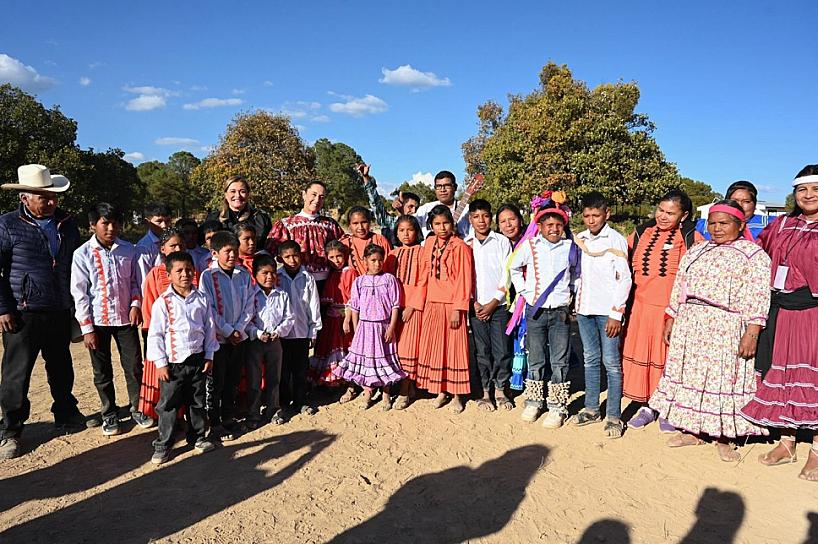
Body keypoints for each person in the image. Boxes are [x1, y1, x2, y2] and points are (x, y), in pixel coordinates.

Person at [647, 200, 770, 461]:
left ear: (740, 224)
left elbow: (759, 296)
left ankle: (723, 437)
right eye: (712, 223)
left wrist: (752, 331)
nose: (717, 228)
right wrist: (672, 317)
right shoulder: (697, 251)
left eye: (724, 223)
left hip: (726, 327)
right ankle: (693, 430)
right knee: (692, 376)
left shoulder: (753, 255)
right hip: (691, 324)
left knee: (723, 380)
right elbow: (680, 285)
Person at [0, 165, 87, 459]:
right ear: (25, 197)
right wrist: (3, 308)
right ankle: (11, 429)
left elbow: (79, 264)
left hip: (59, 307)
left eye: (52, 197)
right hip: (23, 312)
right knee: (17, 373)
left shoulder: (67, 223)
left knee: (61, 366)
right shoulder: (7, 225)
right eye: (43, 197)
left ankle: (65, 412)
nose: (50, 202)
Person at [741, 165, 818, 480]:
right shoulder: (782, 224)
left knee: (813, 378)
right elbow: (757, 255)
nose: (808, 196)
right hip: (782, 312)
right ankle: (787, 443)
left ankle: (816, 449)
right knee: (783, 374)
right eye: (803, 190)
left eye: (815, 189)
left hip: (814, 312)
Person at [71, 202, 153, 436]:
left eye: (115, 223)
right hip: (97, 321)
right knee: (102, 370)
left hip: (125, 320)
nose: (111, 228)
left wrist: (136, 304)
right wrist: (86, 328)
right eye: (105, 223)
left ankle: (138, 407)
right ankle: (109, 413)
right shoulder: (82, 254)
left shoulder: (129, 250)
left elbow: (137, 282)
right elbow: (80, 292)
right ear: (92, 226)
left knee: (134, 365)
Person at [623, 189, 703, 430]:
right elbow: (617, 258)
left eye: (671, 212)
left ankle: (668, 407)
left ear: (684, 215)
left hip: (671, 312)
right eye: (660, 210)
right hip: (639, 309)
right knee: (644, 358)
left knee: (669, 359)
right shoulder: (640, 233)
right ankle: (648, 405)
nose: (663, 216)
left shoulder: (692, 238)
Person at [509, 203, 579, 428]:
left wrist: (571, 296)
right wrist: (525, 292)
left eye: (559, 225)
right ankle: (534, 401)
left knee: (559, 360)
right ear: (539, 226)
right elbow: (514, 268)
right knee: (536, 357)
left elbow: (577, 274)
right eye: (549, 225)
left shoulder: (570, 247)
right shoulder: (530, 246)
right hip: (535, 310)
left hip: (560, 312)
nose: (554, 229)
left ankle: (557, 406)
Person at [148, 252, 218, 465]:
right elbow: (156, 334)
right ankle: (164, 444)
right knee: (168, 405)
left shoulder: (202, 299)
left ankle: (197, 437)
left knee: (197, 402)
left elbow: (209, 328)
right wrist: (161, 364)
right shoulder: (163, 303)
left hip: (197, 361)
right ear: (168, 275)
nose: (185, 274)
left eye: (188, 269)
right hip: (173, 364)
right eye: (178, 271)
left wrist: (209, 355)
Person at [571, 192, 631, 439]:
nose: (591, 220)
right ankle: (592, 408)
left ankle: (614, 415)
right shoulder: (580, 239)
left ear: (607, 214)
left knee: (611, 363)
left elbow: (625, 278)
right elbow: (577, 274)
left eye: (596, 215)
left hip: (607, 313)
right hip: (584, 310)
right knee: (590, 359)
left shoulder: (615, 240)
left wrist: (616, 313)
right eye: (586, 216)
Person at [415, 205, 474, 414]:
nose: (442, 228)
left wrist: (459, 308)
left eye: (445, 223)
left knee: (455, 350)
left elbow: (464, 280)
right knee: (436, 348)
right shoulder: (429, 243)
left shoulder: (460, 247)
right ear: (431, 225)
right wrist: (418, 303)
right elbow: (424, 274)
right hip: (432, 302)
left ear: (452, 223)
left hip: (452, 305)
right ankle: (441, 390)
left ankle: (458, 394)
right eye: (437, 224)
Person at [334, 244, 406, 410]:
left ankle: (386, 394)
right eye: (373, 260)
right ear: (365, 261)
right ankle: (367, 393)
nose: (377, 264)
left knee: (385, 359)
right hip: (365, 328)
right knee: (367, 361)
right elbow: (355, 307)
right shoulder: (359, 282)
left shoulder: (389, 279)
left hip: (383, 326)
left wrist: (391, 327)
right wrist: (357, 328)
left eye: (380, 260)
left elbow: (395, 305)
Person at [199, 231, 254, 441]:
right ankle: (214, 423)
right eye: (227, 252)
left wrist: (239, 328)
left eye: (234, 251)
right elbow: (209, 308)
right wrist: (228, 331)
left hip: (239, 338)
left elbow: (250, 304)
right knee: (216, 383)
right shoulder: (208, 277)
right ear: (214, 253)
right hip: (219, 340)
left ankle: (229, 418)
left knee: (232, 381)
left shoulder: (243, 274)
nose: (232, 255)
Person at [138, 227, 197, 420]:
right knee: (167, 383)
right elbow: (148, 309)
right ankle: (167, 420)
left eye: (181, 245)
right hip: (164, 340)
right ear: (162, 249)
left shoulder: (192, 272)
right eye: (172, 245)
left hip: (189, 341)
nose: (177, 248)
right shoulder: (155, 274)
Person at [464, 199, 514, 412]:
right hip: (475, 308)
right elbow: (465, 277)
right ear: (470, 219)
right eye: (476, 217)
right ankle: (485, 392)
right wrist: (474, 302)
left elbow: (507, 273)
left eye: (485, 216)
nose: (481, 221)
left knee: (502, 349)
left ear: (491, 217)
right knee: (482, 351)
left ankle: (501, 389)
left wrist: (493, 302)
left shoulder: (502, 242)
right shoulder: (466, 244)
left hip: (499, 306)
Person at [245, 254, 294, 429]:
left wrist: (278, 332)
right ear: (255, 274)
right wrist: (257, 333)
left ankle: (273, 409)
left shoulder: (281, 294)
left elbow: (289, 318)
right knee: (254, 379)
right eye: (264, 273)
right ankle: (253, 413)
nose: (269, 277)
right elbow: (246, 320)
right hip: (255, 342)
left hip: (275, 341)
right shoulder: (250, 295)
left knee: (275, 377)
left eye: (273, 273)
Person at [267, 180, 344, 290]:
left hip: (328, 283)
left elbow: (343, 249)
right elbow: (268, 253)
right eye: (314, 194)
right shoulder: (286, 224)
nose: (317, 200)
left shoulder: (330, 225)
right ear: (304, 195)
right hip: (297, 283)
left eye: (321, 197)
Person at [384, 215, 425, 410]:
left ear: (416, 231)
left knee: (409, 349)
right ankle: (401, 386)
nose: (405, 234)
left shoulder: (422, 252)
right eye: (401, 230)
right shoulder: (393, 254)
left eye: (409, 229)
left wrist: (412, 305)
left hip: (413, 307)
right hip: (394, 307)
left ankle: (405, 389)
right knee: (395, 348)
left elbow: (424, 281)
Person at [277, 240, 322, 416]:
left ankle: (301, 401)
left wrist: (313, 331)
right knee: (284, 370)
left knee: (301, 370)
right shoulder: (277, 277)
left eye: (295, 255)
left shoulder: (307, 277)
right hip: (283, 334)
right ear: (280, 258)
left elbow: (313, 305)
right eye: (287, 257)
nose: (292, 260)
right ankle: (284, 403)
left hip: (302, 332)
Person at [309, 240, 356, 393]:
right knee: (329, 347)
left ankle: (345, 382)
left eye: (339, 256)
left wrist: (347, 319)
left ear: (345, 256)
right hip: (332, 318)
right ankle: (332, 380)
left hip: (344, 317)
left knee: (344, 347)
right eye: (332, 257)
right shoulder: (332, 273)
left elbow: (352, 300)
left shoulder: (349, 272)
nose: (336, 261)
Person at [357, 163, 421, 244]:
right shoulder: (390, 223)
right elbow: (376, 205)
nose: (414, 210)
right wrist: (366, 177)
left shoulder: (420, 226)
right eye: (410, 206)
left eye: (416, 208)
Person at [206, 175, 272, 249]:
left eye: (242, 191)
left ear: (248, 194)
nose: (237, 195)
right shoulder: (213, 219)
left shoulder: (261, 219)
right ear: (225, 194)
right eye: (233, 191)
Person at [399, 171, 470, 237]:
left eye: (447, 185)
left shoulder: (467, 210)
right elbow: (409, 225)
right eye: (439, 186)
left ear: (455, 187)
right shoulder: (425, 209)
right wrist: (402, 212)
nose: (443, 190)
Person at [341, 206, 393, 276]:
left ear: (370, 222)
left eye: (364, 222)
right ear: (349, 225)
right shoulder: (344, 244)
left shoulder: (380, 240)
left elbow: (389, 266)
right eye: (355, 223)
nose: (360, 227)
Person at [136, 202, 173, 286]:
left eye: (167, 221)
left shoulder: (174, 241)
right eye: (159, 221)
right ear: (148, 222)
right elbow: (143, 280)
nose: (164, 226)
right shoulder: (144, 247)